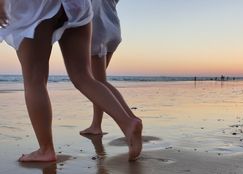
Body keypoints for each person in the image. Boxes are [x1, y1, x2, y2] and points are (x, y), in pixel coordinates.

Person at [0, 0, 142, 162]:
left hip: (35, 7)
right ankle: (127, 122)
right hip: (77, 5)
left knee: (35, 80)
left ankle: (46, 149)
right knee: (83, 76)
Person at [80, 0, 139, 135]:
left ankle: (131, 119)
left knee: (98, 83)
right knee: (98, 82)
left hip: (97, 27)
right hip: (113, 28)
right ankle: (96, 125)